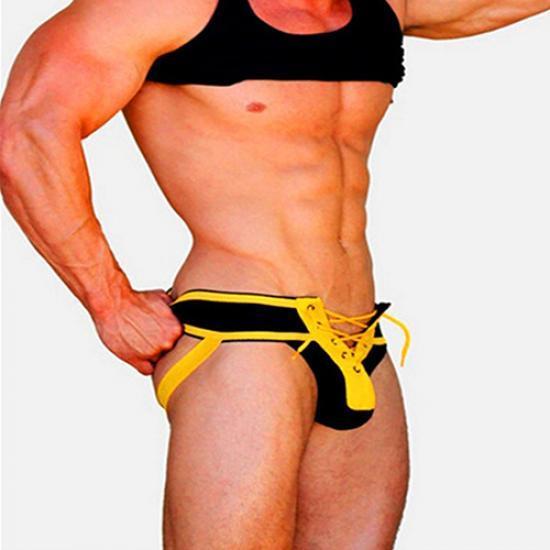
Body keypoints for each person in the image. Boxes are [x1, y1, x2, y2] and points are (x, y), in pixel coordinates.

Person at [0, 0, 548, 548]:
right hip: (243, 331)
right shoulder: (162, 7)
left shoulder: (382, 6)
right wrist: (109, 301)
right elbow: (26, 131)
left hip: (359, 337)